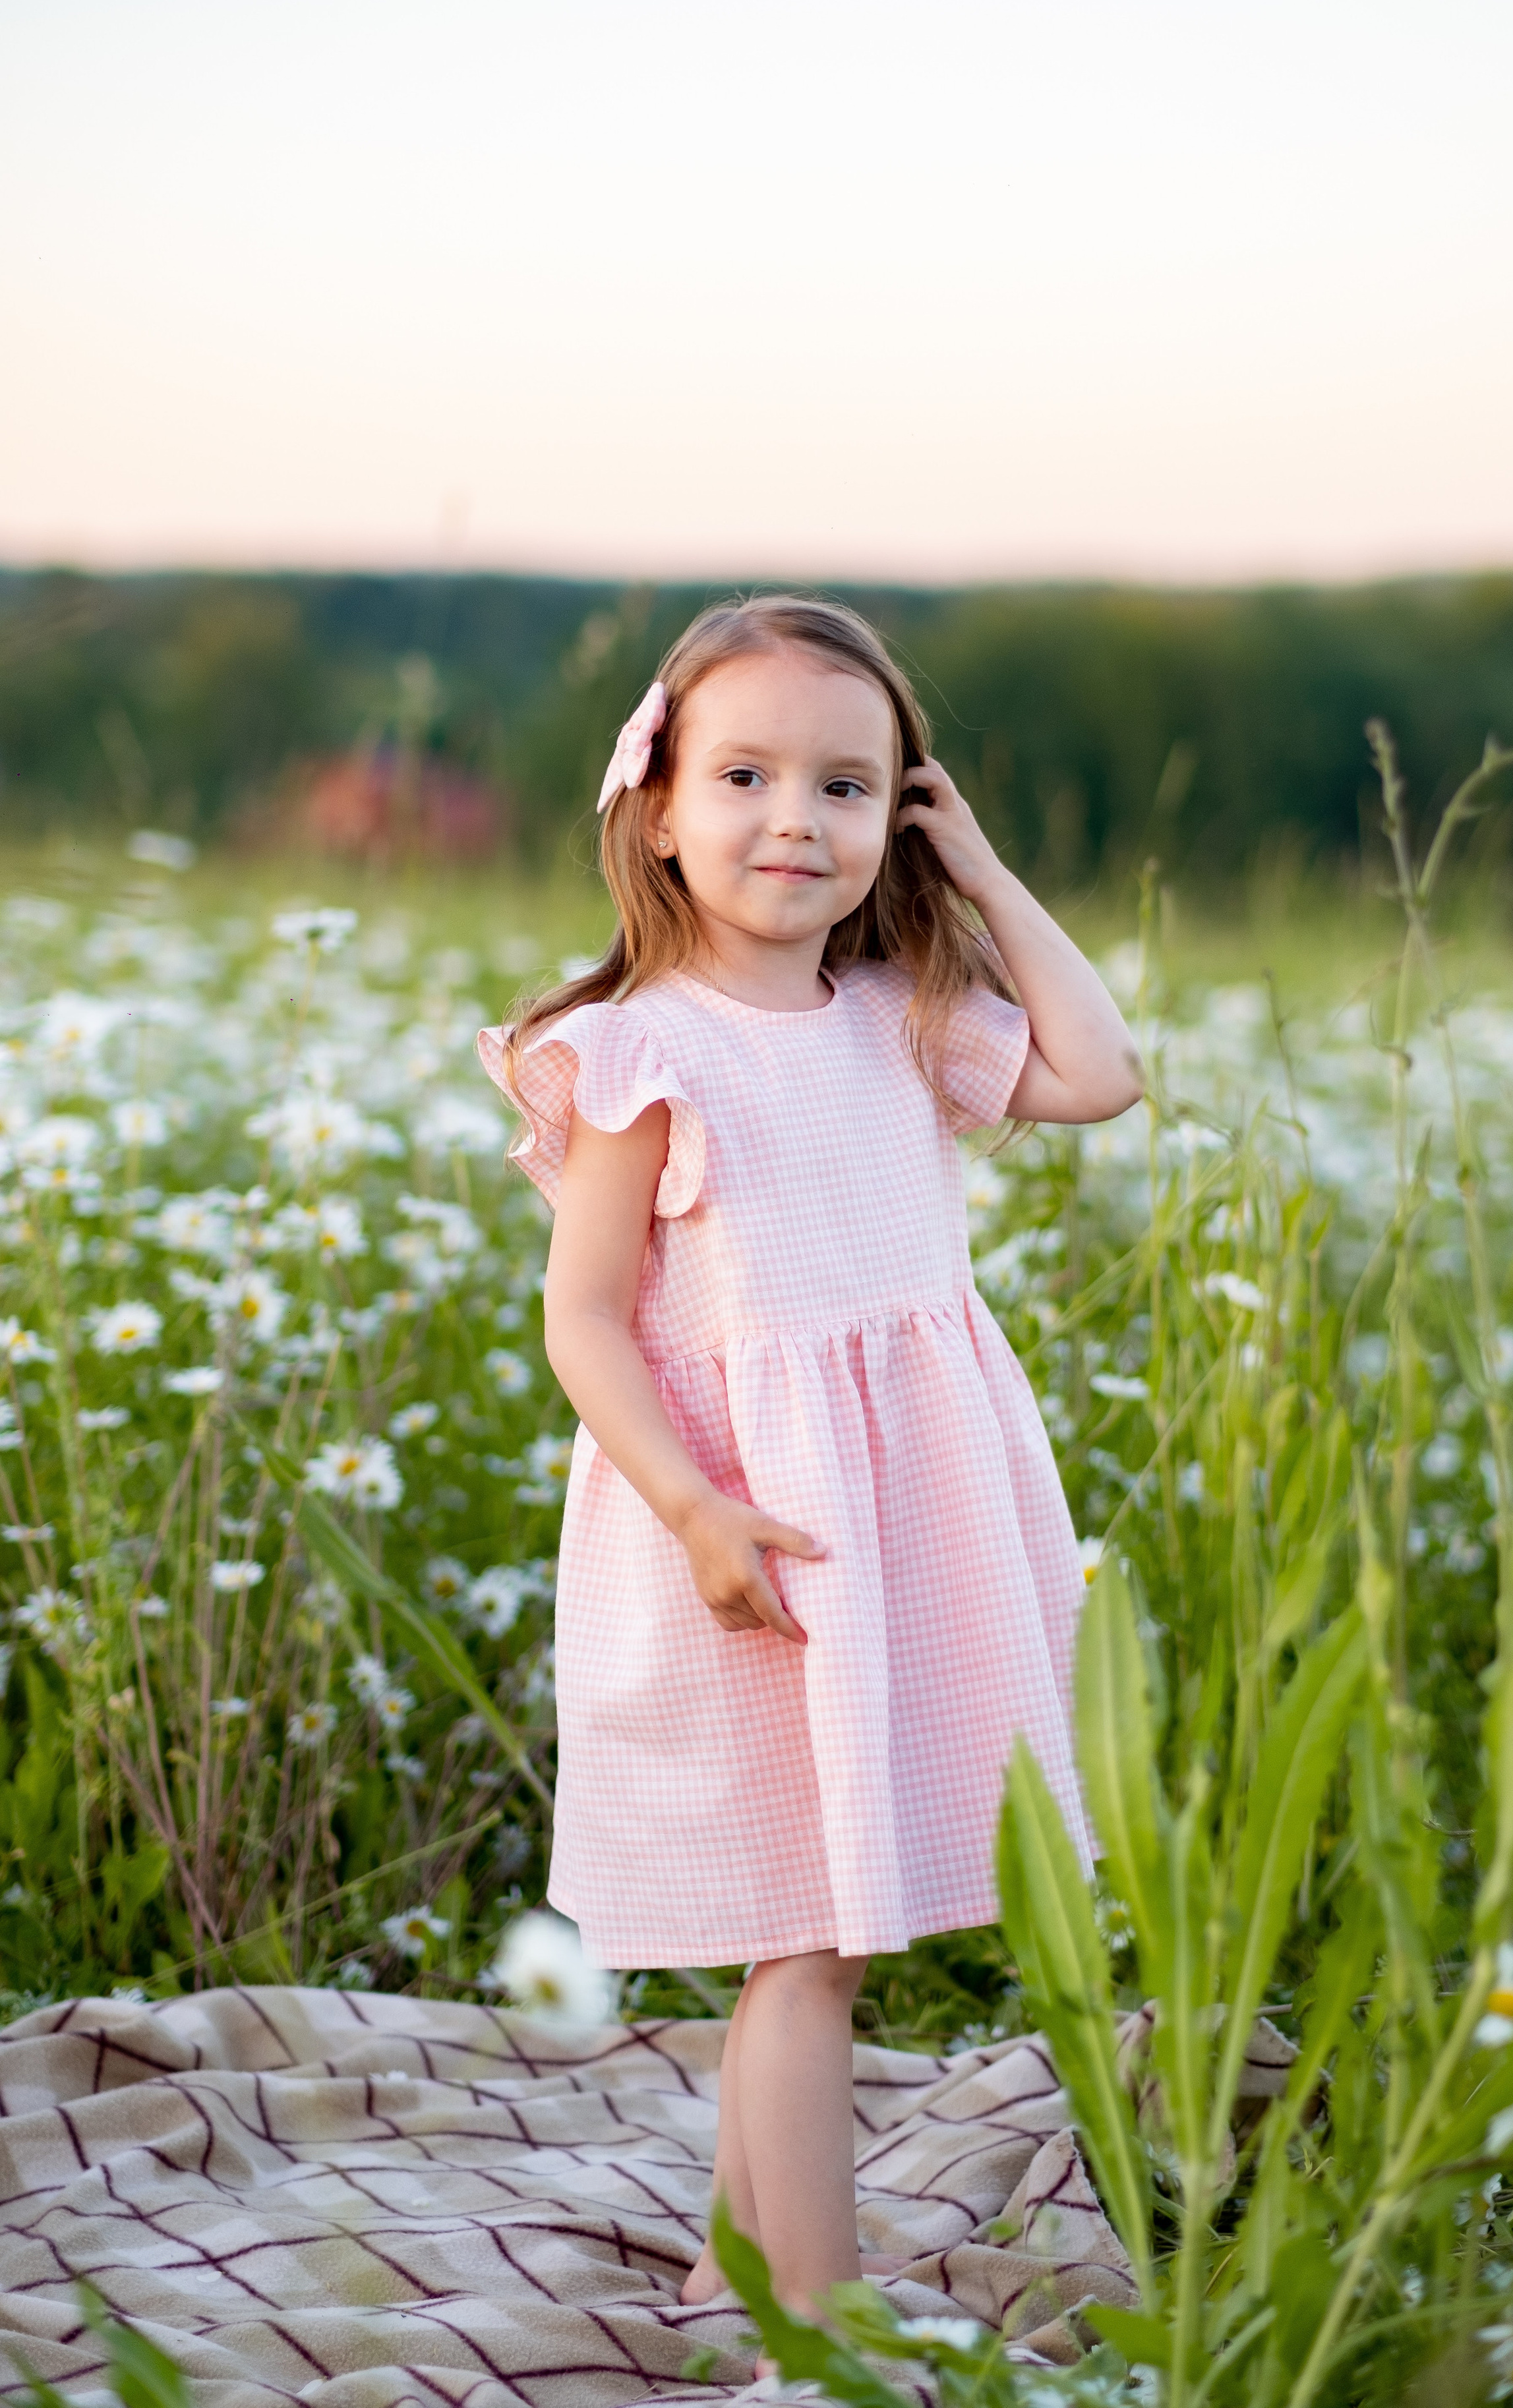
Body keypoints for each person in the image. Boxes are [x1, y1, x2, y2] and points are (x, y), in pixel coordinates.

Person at [477, 596, 1143, 2332]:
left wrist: (985, 874)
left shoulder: (898, 1014)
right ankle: (817, 2325)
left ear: (897, 814)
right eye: (751, 775)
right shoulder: (637, 1049)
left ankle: (737, 2269)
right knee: (808, 1937)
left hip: (905, 1513)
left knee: (820, 1923)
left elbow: (1105, 1071)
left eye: (851, 787)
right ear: (659, 803)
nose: (799, 820)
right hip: (748, 1524)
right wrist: (693, 1505)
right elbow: (588, 1324)